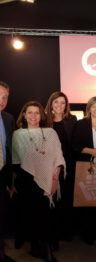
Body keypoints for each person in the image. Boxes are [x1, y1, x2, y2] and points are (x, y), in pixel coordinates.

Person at [12, 101, 65, 262]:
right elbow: (16, 162)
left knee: (46, 215)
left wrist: (55, 179)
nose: (33, 116)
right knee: (32, 215)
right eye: (30, 112)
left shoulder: (50, 133)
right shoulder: (18, 134)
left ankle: (46, 247)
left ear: (42, 115)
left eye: (37, 113)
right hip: (27, 181)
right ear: (24, 115)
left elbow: (58, 157)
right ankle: (36, 246)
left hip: (50, 179)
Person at [72, 96, 96, 245]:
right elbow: (74, 145)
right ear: (89, 108)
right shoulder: (81, 124)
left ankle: (93, 229)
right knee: (85, 198)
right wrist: (91, 151)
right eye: (94, 106)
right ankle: (86, 231)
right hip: (84, 165)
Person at [45, 91, 77, 245]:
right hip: (49, 167)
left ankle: (66, 231)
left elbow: (74, 144)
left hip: (68, 165)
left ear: (66, 105)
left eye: (62, 102)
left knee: (67, 198)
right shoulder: (44, 121)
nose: (59, 105)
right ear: (51, 103)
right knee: (53, 198)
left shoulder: (72, 120)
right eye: (56, 102)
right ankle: (53, 233)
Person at [0, 81, 15, 262]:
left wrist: (11, 180)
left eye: (5, 97)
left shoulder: (8, 118)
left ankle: (1, 253)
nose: (2, 100)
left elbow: (10, 149)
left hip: (2, 174)